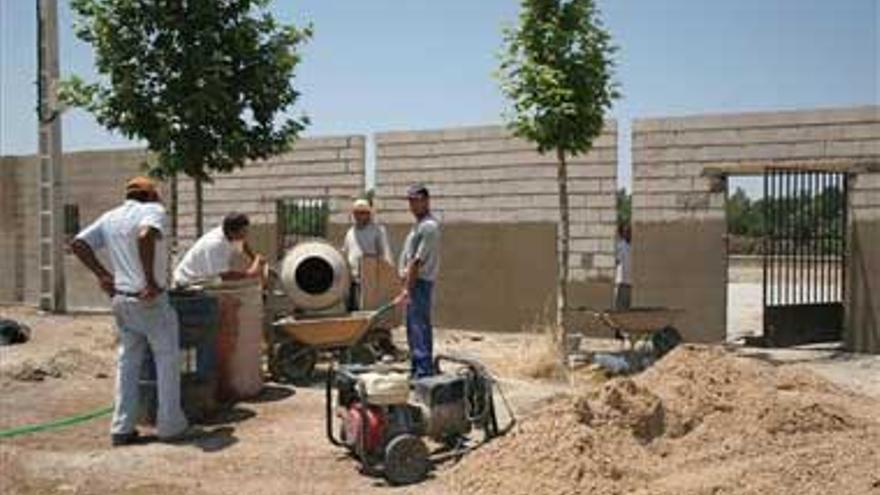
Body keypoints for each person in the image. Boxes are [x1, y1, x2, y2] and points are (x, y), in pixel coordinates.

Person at [70, 176, 190, 446]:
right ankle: (170, 426)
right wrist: (149, 280)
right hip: (150, 300)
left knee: (128, 364)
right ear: (150, 195)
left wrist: (103, 275)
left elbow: (78, 243)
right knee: (167, 361)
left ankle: (122, 427)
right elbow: (146, 235)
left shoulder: (110, 217)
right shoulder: (153, 211)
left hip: (122, 300)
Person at [395, 184, 441, 378]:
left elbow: (416, 261)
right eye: (411, 201)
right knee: (416, 326)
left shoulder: (429, 227)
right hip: (415, 282)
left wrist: (406, 289)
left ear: (427, 201)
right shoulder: (419, 225)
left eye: (417, 201)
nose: (413, 205)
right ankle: (419, 368)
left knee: (418, 326)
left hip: (419, 283)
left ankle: (422, 372)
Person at [173, 212, 265, 286]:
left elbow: (243, 243)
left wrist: (253, 257)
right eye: (243, 232)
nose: (245, 235)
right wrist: (249, 273)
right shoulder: (216, 245)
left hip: (204, 279)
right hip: (188, 283)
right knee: (231, 302)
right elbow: (224, 275)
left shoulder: (230, 234)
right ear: (232, 232)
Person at [341, 198, 393, 311]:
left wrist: (387, 278)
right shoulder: (350, 232)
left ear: (368, 214)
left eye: (362, 213)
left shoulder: (377, 230)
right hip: (352, 280)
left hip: (371, 280)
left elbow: (385, 255)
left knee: (368, 311)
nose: (359, 216)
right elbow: (345, 252)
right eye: (356, 213)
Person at [614, 223, 632, 310]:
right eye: (626, 231)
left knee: (626, 299)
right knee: (619, 297)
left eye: (629, 231)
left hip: (628, 277)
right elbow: (617, 260)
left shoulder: (630, 246)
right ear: (622, 233)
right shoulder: (620, 246)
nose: (628, 233)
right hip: (621, 276)